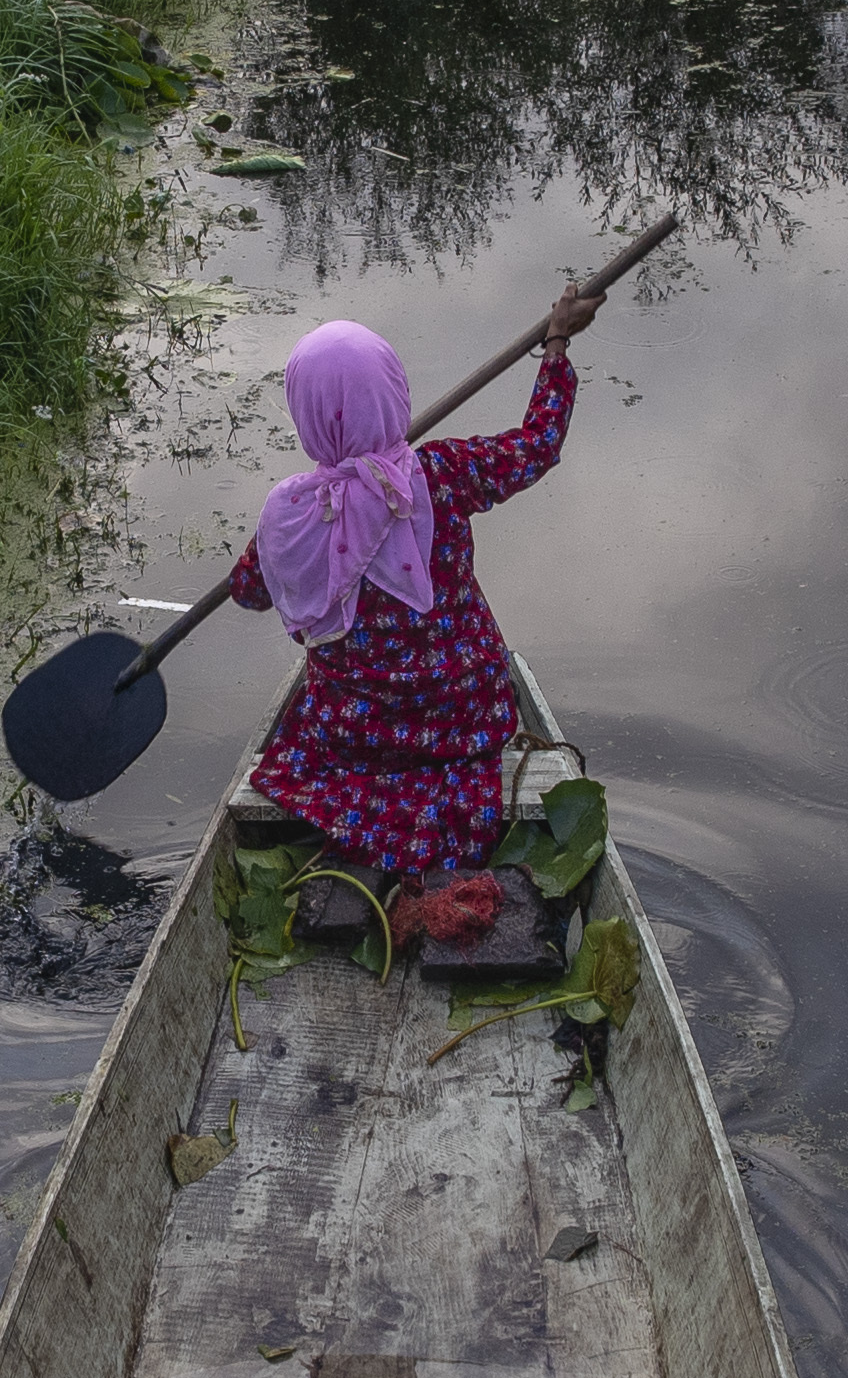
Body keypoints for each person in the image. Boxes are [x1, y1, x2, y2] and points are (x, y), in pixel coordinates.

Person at [224, 268, 608, 954]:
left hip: (357, 734)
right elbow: (538, 446)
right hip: (462, 720)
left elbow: (248, 590)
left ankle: (360, 858)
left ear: (306, 413)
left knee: (306, 733)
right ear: (393, 395)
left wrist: (279, 554)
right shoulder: (443, 475)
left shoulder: (289, 517)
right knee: (458, 754)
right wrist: (555, 347)